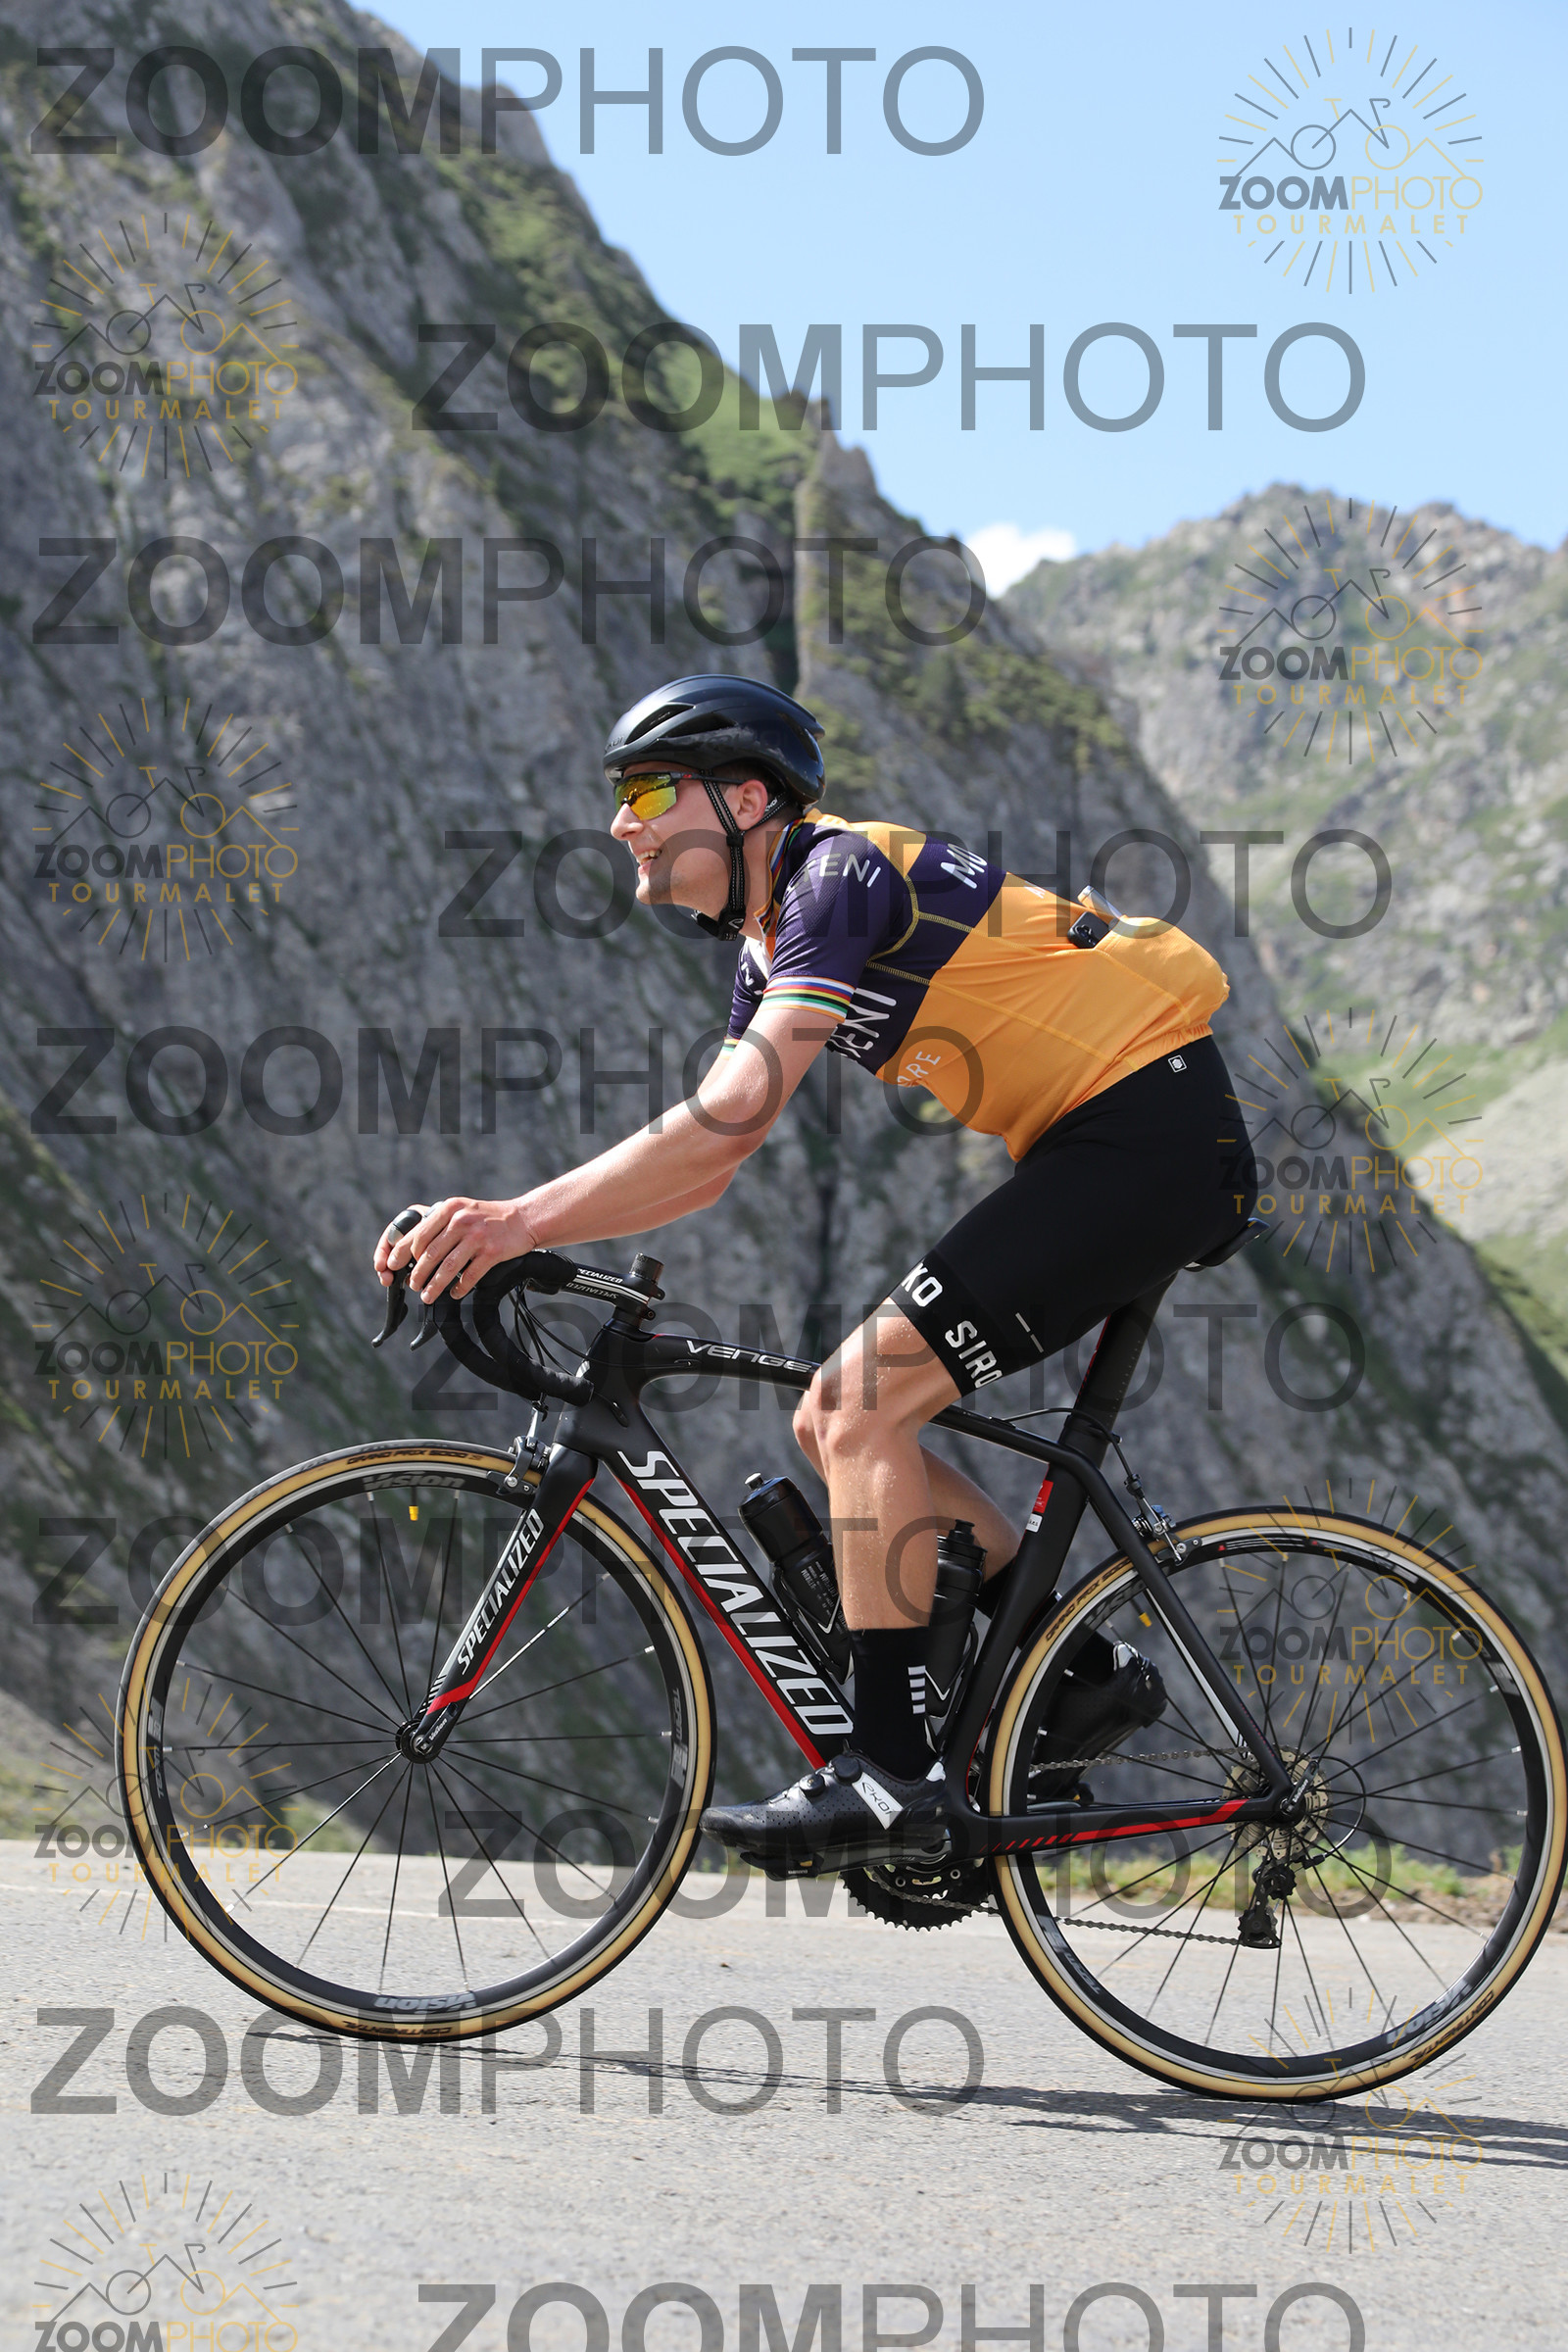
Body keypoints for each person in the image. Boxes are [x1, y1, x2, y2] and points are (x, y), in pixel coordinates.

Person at [375, 674, 1254, 1868]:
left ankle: (890, 1778)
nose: (622, 823)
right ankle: (1082, 1672)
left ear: (745, 799)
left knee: (856, 1408)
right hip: (1111, 1143)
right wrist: (523, 1231)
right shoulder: (771, 944)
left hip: (1146, 1137)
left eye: (649, 792)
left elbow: (728, 1115)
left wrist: (516, 1220)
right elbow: (709, 1168)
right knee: (833, 1422)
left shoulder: (838, 876)